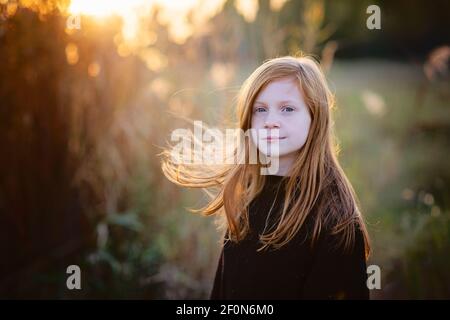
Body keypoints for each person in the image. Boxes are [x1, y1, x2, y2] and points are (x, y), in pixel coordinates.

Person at [161, 55, 371, 300]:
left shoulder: (335, 222)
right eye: (260, 110)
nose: (271, 122)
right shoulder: (248, 198)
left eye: (288, 109)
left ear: (316, 118)